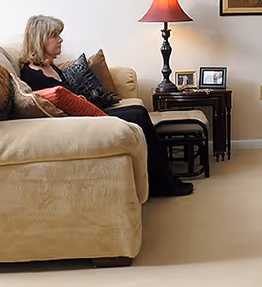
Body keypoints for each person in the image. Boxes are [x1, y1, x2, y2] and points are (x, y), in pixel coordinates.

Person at [18, 15, 193, 197]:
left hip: (87, 113)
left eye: (59, 34)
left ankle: (160, 179)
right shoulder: (31, 74)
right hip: (78, 123)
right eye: (54, 35)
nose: (60, 39)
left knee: (140, 112)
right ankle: (163, 183)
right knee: (139, 115)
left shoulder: (51, 67)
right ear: (39, 39)